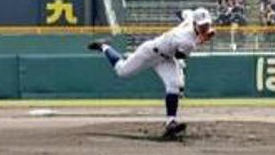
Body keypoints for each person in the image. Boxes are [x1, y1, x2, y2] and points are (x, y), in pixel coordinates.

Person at [89, 8, 216, 139]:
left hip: (166, 59)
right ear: (195, 24)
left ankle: (170, 122)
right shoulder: (187, 41)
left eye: (207, 24)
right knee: (122, 71)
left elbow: (181, 12)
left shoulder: (190, 18)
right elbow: (180, 56)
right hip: (150, 52)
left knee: (174, 85)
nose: (205, 27)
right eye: (202, 26)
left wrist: (191, 26)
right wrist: (201, 39)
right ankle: (104, 47)